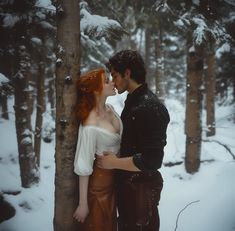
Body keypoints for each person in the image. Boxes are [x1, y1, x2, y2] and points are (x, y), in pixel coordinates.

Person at [96, 50, 170, 231]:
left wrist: (114, 162)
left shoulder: (149, 107)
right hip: (129, 196)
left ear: (127, 73)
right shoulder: (134, 102)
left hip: (140, 197)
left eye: (114, 75)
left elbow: (151, 161)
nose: (113, 81)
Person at [73, 68, 122, 231]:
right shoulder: (90, 124)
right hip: (100, 186)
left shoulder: (110, 109)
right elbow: (84, 166)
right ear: (96, 90)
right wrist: (83, 204)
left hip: (115, 179)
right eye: (107, 81)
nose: (113, 82)